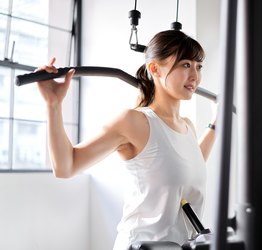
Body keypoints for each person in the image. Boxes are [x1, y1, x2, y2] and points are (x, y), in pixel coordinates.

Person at [36, 30, 217, 249]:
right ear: (155, 69)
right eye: (185, 65)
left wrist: (216, 122)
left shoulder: (187, 126)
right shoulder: (134, 122)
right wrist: (53, 105)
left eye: (199, 67)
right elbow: (66, 166)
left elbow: (191, 165)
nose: (195, 76)